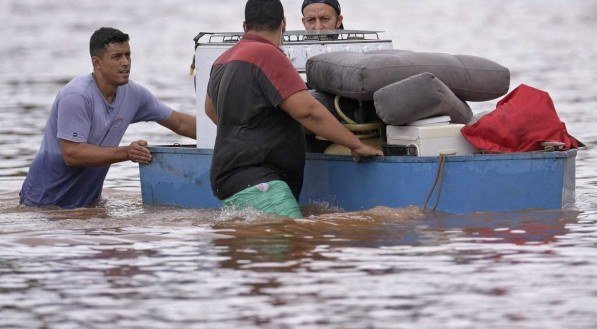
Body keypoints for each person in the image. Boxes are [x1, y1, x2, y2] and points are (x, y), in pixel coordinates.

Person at [204, 0, 382, 219]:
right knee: (294, 245)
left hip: (231, 179)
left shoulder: (222, 59)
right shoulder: (268, 55)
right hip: (260, 180)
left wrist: (248, 131)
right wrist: (356, 145)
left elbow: (210, 110)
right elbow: (308, 111)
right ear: (284, 24)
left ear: (244, 26)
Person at [19, 27, 196, 209]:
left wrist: (224, 134)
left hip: (88, 205)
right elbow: (72, 154)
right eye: (117, 57)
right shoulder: (76, 95)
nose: (126, 62)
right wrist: (127, 153)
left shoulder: (135, 94)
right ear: (97, 63)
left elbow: (181, 124)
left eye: (128, 55)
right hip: (42, 205)